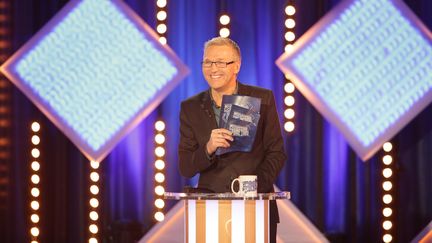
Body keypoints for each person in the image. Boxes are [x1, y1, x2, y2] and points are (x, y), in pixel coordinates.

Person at [178, 37, 286, 242]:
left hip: (255, 207)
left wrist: (254, 187)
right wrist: (208, 148)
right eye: (208, 62)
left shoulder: (262, 99)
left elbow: (276, 152)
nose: (213, 68)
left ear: (236, 66)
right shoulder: (190, 107)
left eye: (220, 62)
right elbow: (185, 167)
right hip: (209, 210)